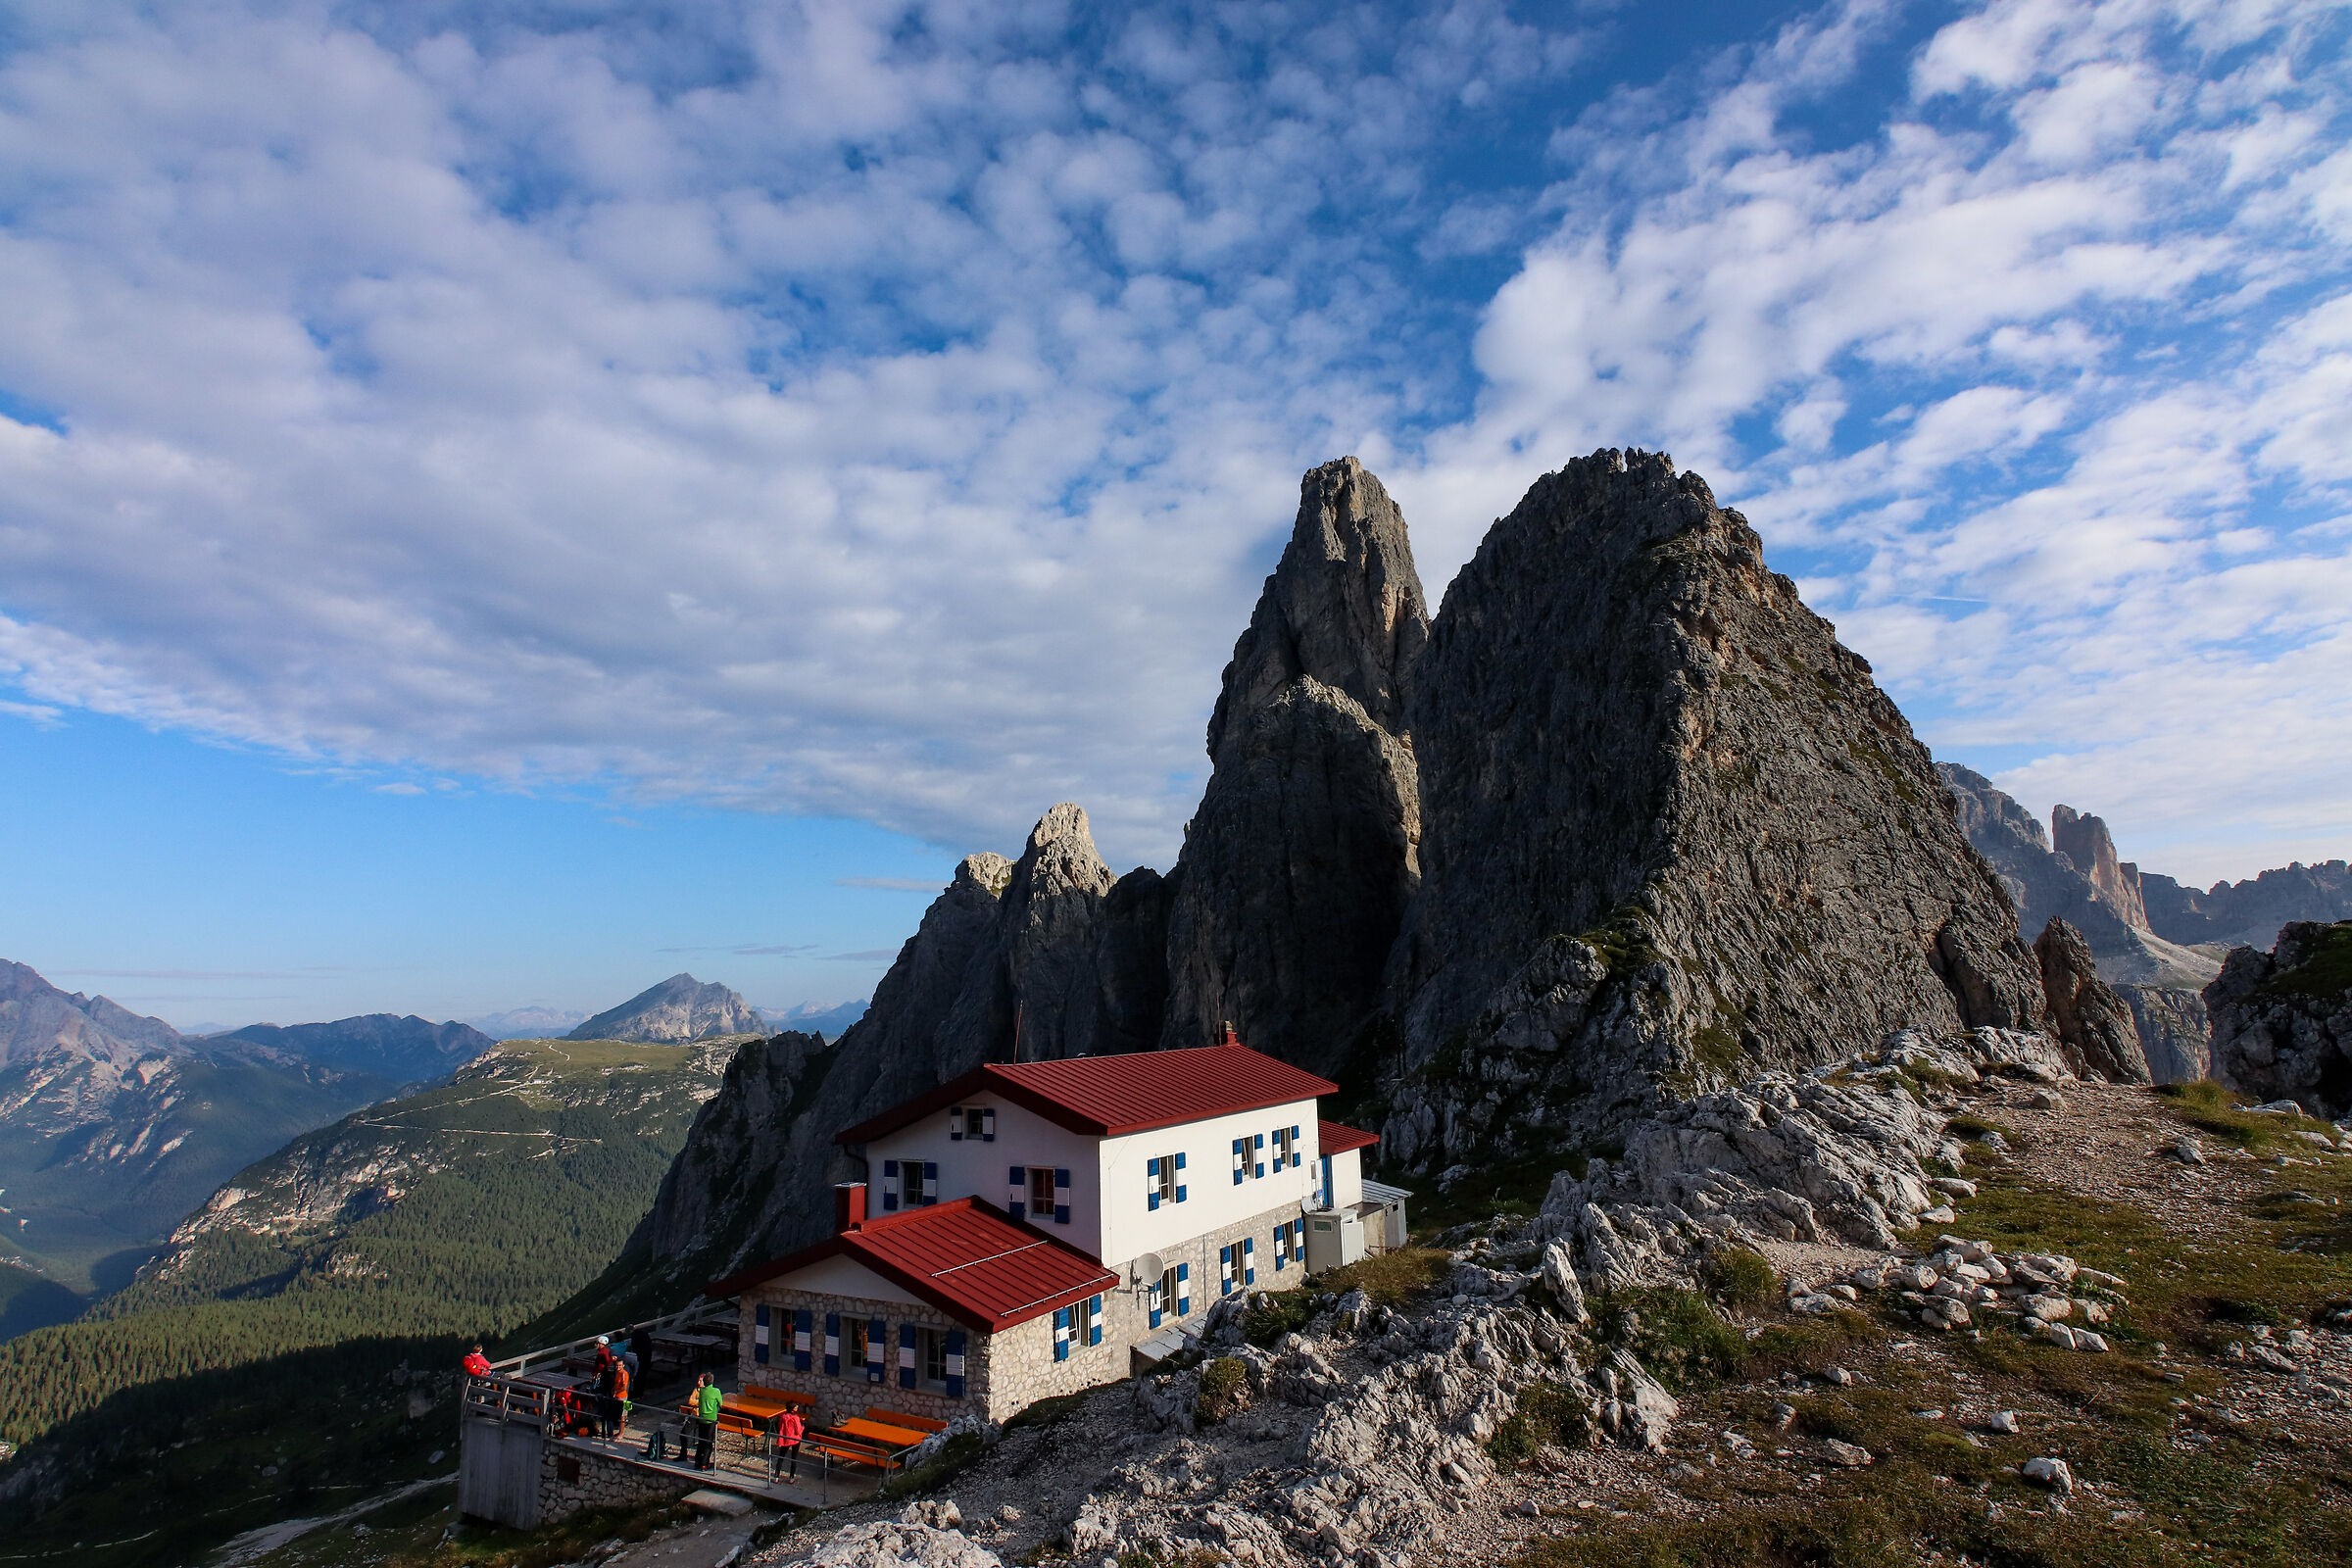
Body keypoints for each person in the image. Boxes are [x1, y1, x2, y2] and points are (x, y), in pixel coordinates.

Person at [692, 1374, 722, 1471]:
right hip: (711, 1419)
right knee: (708, 1442)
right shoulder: (716, 1391)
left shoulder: (702, 1392)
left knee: (701, 1440)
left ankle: (698, 1460)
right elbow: (721, 1403)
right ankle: (704, 1464)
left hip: (701, 1418)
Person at [593, 1342, 621, 1440]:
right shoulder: (616, 1374)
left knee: (619, 1414)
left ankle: (615, 1432)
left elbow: (625, 1386)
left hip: (619, 1396)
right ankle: (611, 1433)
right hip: (614, 1396)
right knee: (612, 1415)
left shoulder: (620, 1374)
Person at [772, 1406, 805, 1481]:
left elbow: (780, 1426)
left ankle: (776, 1476)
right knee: (794, 1458)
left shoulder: (783, 1417)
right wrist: (803, 1427)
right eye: (796, 1407)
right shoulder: (795, 1418)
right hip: (795, 1439)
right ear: (793, 1409)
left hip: (785, 1439)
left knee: (781, 1457)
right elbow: (798, 1431)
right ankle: (791, 1477)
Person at [611, 1356, 632, 1441]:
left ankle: (621, 1433)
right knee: (619, 1415)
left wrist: (616, 1392)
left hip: (623, 1397)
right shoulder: (617, 1373)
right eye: (617, 1366)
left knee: (622, 1416)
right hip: (617, 1396)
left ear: (623, 1365)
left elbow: (624, 1387)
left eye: (620, 1366)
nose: (618, 1367)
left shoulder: (624, 1374)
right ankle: (619, 1431)